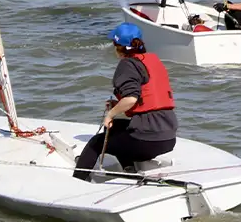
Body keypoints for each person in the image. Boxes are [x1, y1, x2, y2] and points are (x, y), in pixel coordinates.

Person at [73, 23, 177, 181]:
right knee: (116, 128)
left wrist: (110, 114)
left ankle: (77, 181)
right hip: (168, 137)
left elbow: (131, 99)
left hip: (147, 140)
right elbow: (144, 100)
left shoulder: (127, 64)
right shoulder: (152, 60)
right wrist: (117, 105)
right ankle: (129, 169)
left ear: (118, 46)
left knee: (97, 142)